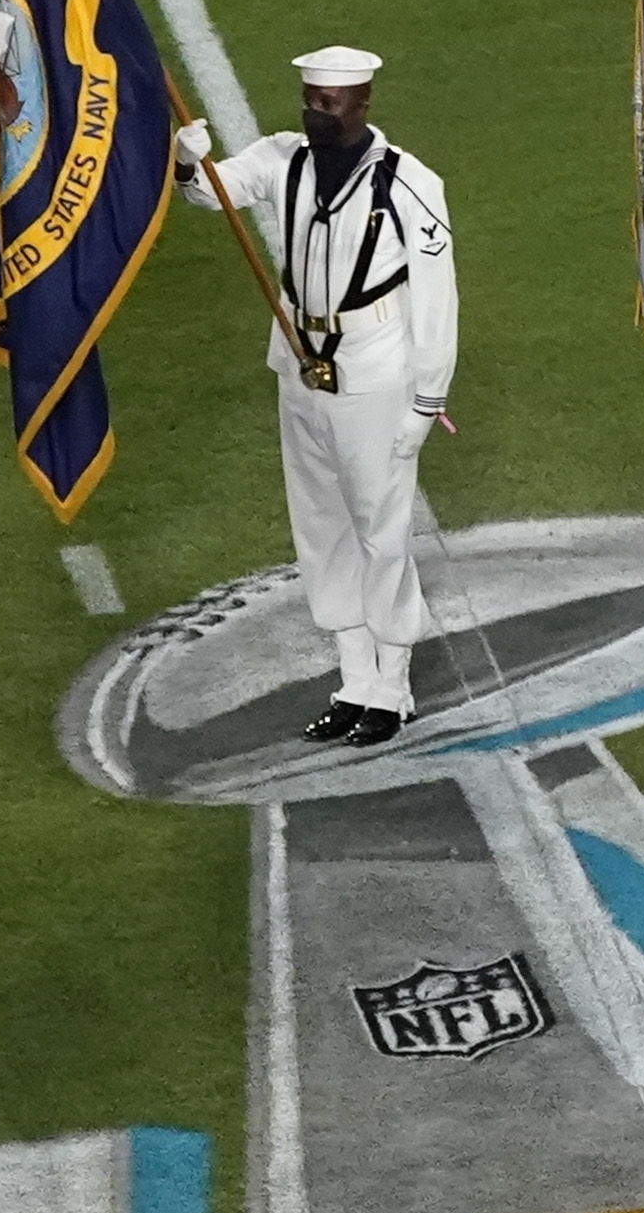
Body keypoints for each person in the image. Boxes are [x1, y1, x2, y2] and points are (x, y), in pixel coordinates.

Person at [172, 45, 461, 746]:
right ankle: (353, 681)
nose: (316, 112)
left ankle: (393, 689)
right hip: (300, 363)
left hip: (375, 366)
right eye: (310, 100)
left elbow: (437, 298)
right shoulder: (284, 160)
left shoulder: (409, 183)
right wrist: (187, 159)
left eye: (329, 103)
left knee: (380, 530)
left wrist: (427, 401)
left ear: (362, 103)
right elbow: (210, 192)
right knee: (322, 529)